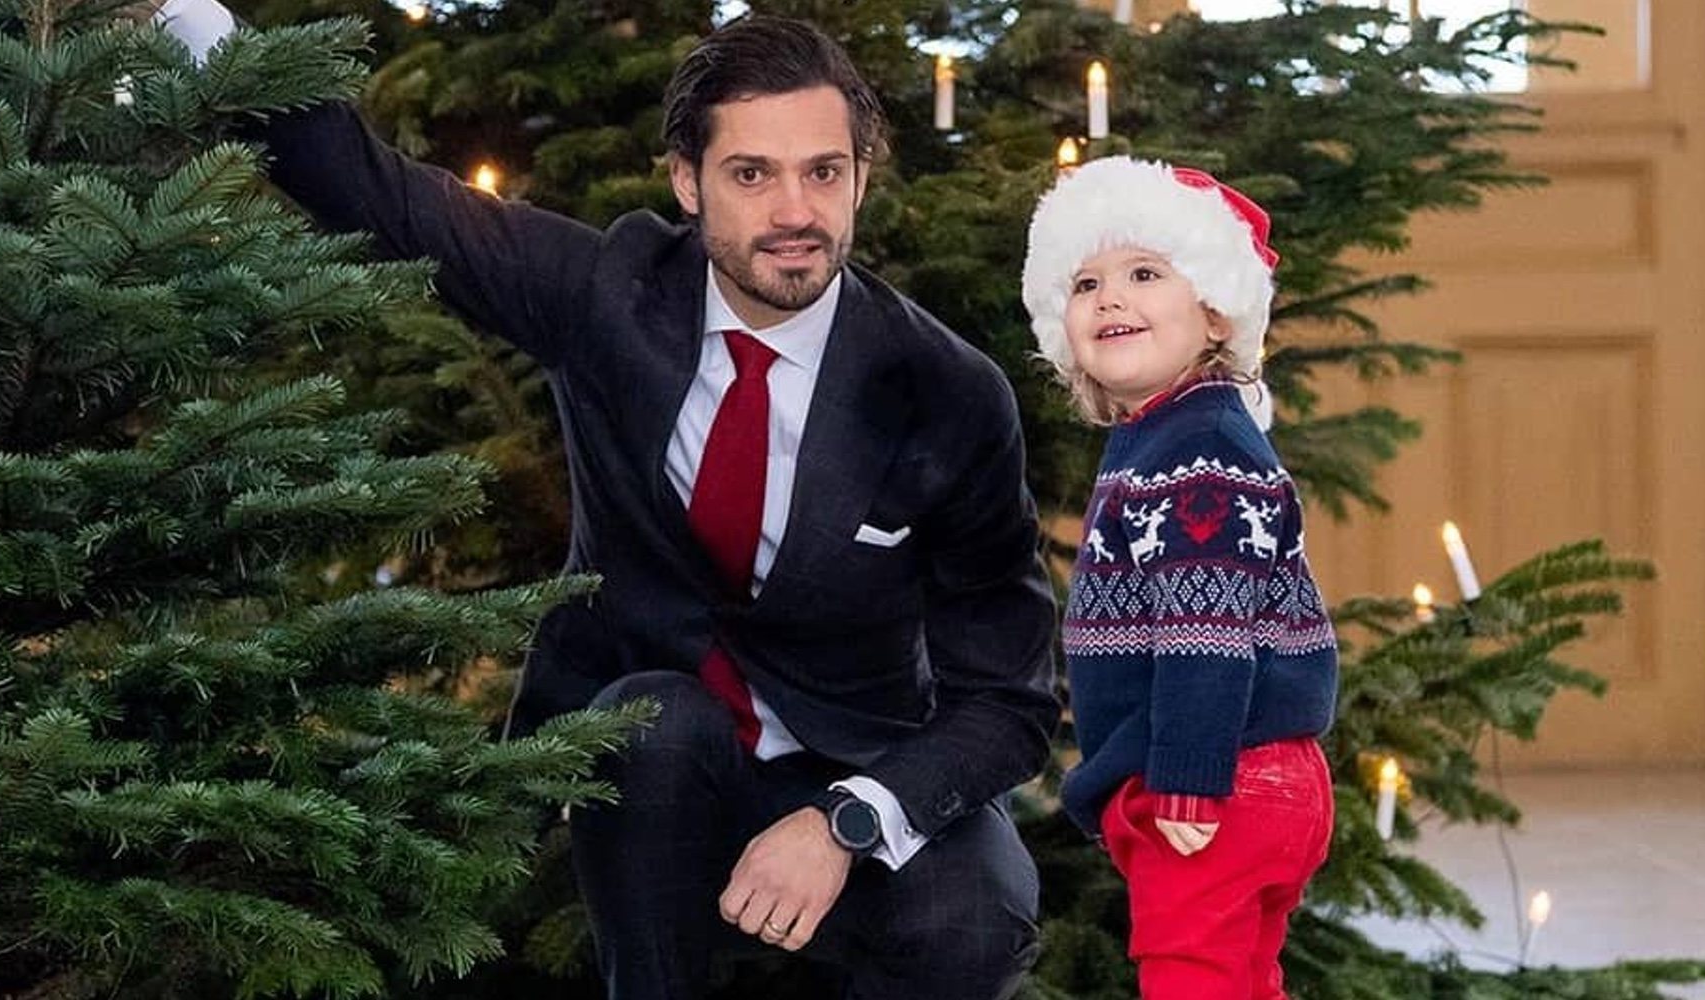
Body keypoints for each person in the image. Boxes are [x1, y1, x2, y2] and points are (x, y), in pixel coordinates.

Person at [148, 6, 1061, 998]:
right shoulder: (608, 293)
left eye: (823, 172)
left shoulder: (947, 390)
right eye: (751, 174)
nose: (795, 210)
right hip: (664, 768)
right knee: (645, 717)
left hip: (862, 755)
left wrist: (849, 817)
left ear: (859, 178)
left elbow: (1008, 702)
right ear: (687, 182)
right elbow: (383, 198)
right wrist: (203, 30)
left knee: (976, 916)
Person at [1020, 156, 1340, 999]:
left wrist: (1188, 777)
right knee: (1240, 980)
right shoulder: (1176, 435)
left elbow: (1210, 629)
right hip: (1265, 775)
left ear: (1214, 310)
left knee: (1190, 980)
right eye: (1085, 282)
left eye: (1145, 273)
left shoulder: (1195, 452)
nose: (1110, 297)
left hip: (1221, 777)